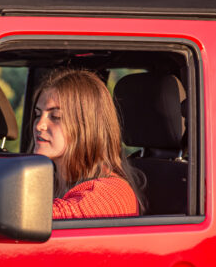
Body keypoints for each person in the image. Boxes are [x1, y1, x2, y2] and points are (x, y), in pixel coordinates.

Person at [32, 69, 141, 219]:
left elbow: (34, 218)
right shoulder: (47, 183)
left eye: (56, 116)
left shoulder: (111, 193)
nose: (39, 125)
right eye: (38, 115)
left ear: (86, 126)